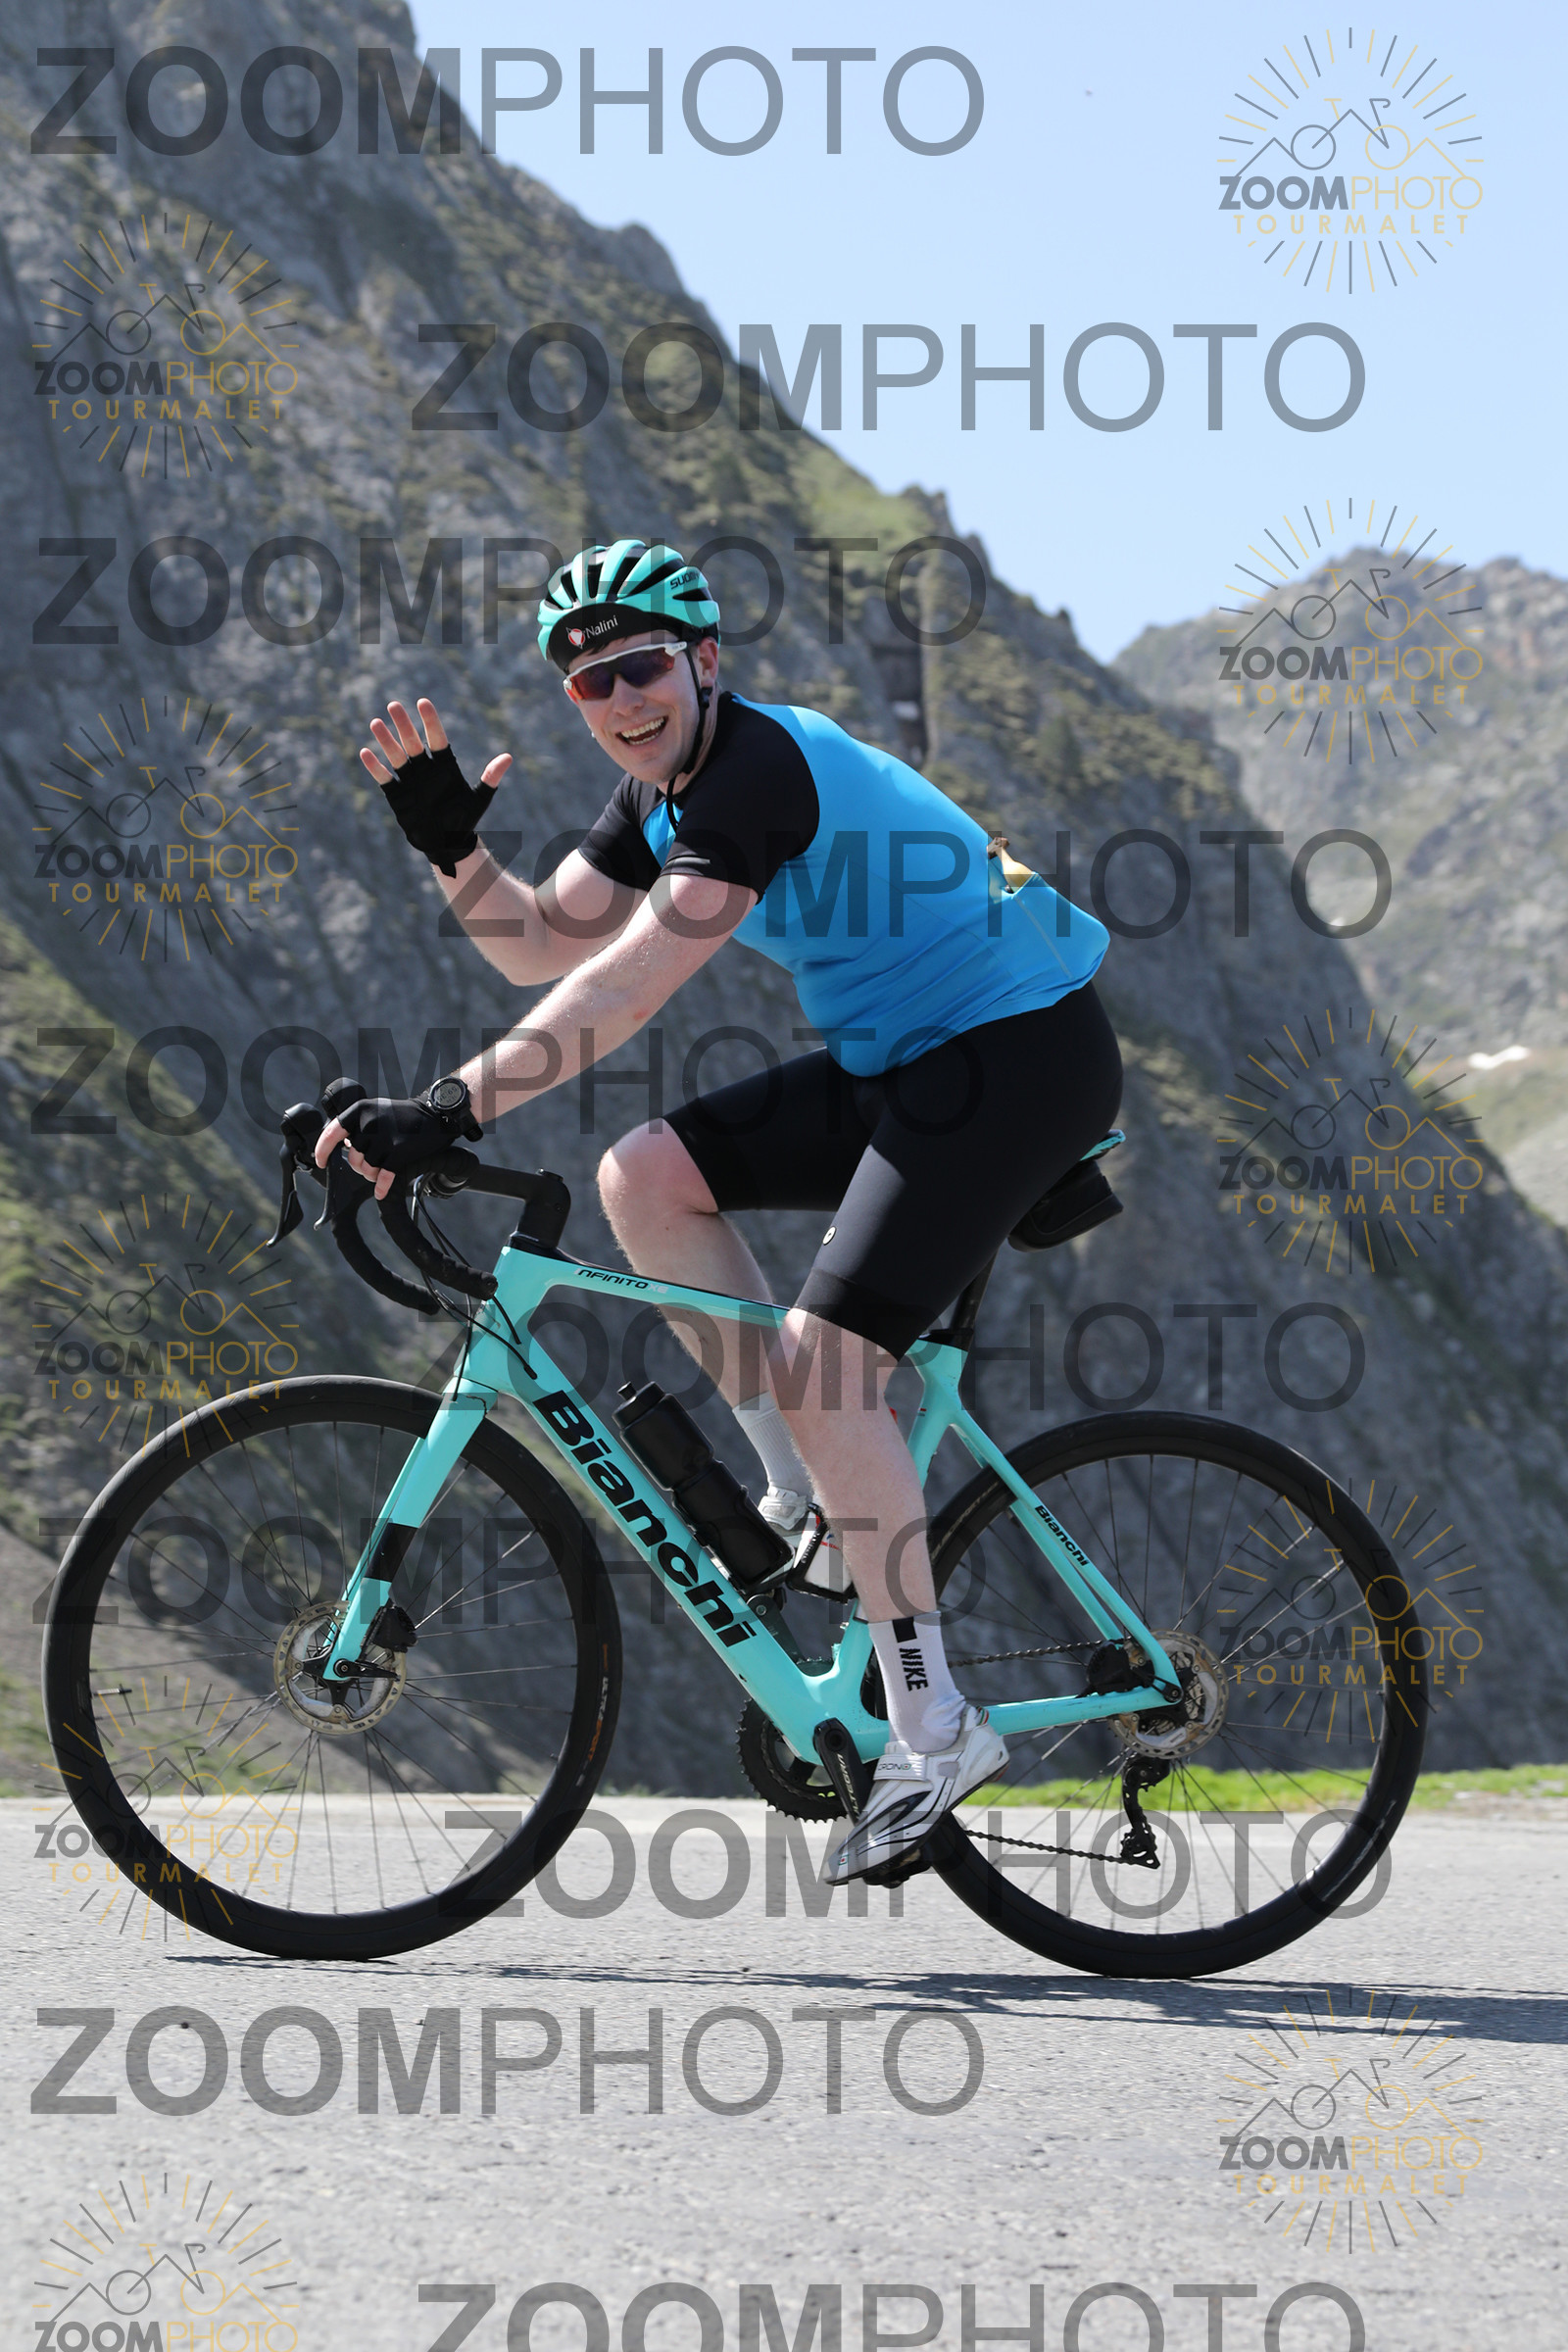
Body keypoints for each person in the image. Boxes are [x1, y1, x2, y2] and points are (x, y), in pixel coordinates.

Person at [317, 539, 1122, 1883]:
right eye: (589, 684)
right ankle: (807, 1497)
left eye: (638, 667)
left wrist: (453, 1107)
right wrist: (452, 844)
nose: (619, 699)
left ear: (702, 660)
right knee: (645, 1175)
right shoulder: (657, 791)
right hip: (907, 1062)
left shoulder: (753, 771)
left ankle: (936, 1727)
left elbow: (628, 988)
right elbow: (538, 939)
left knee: (824, 1360)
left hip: (1018, 1052)